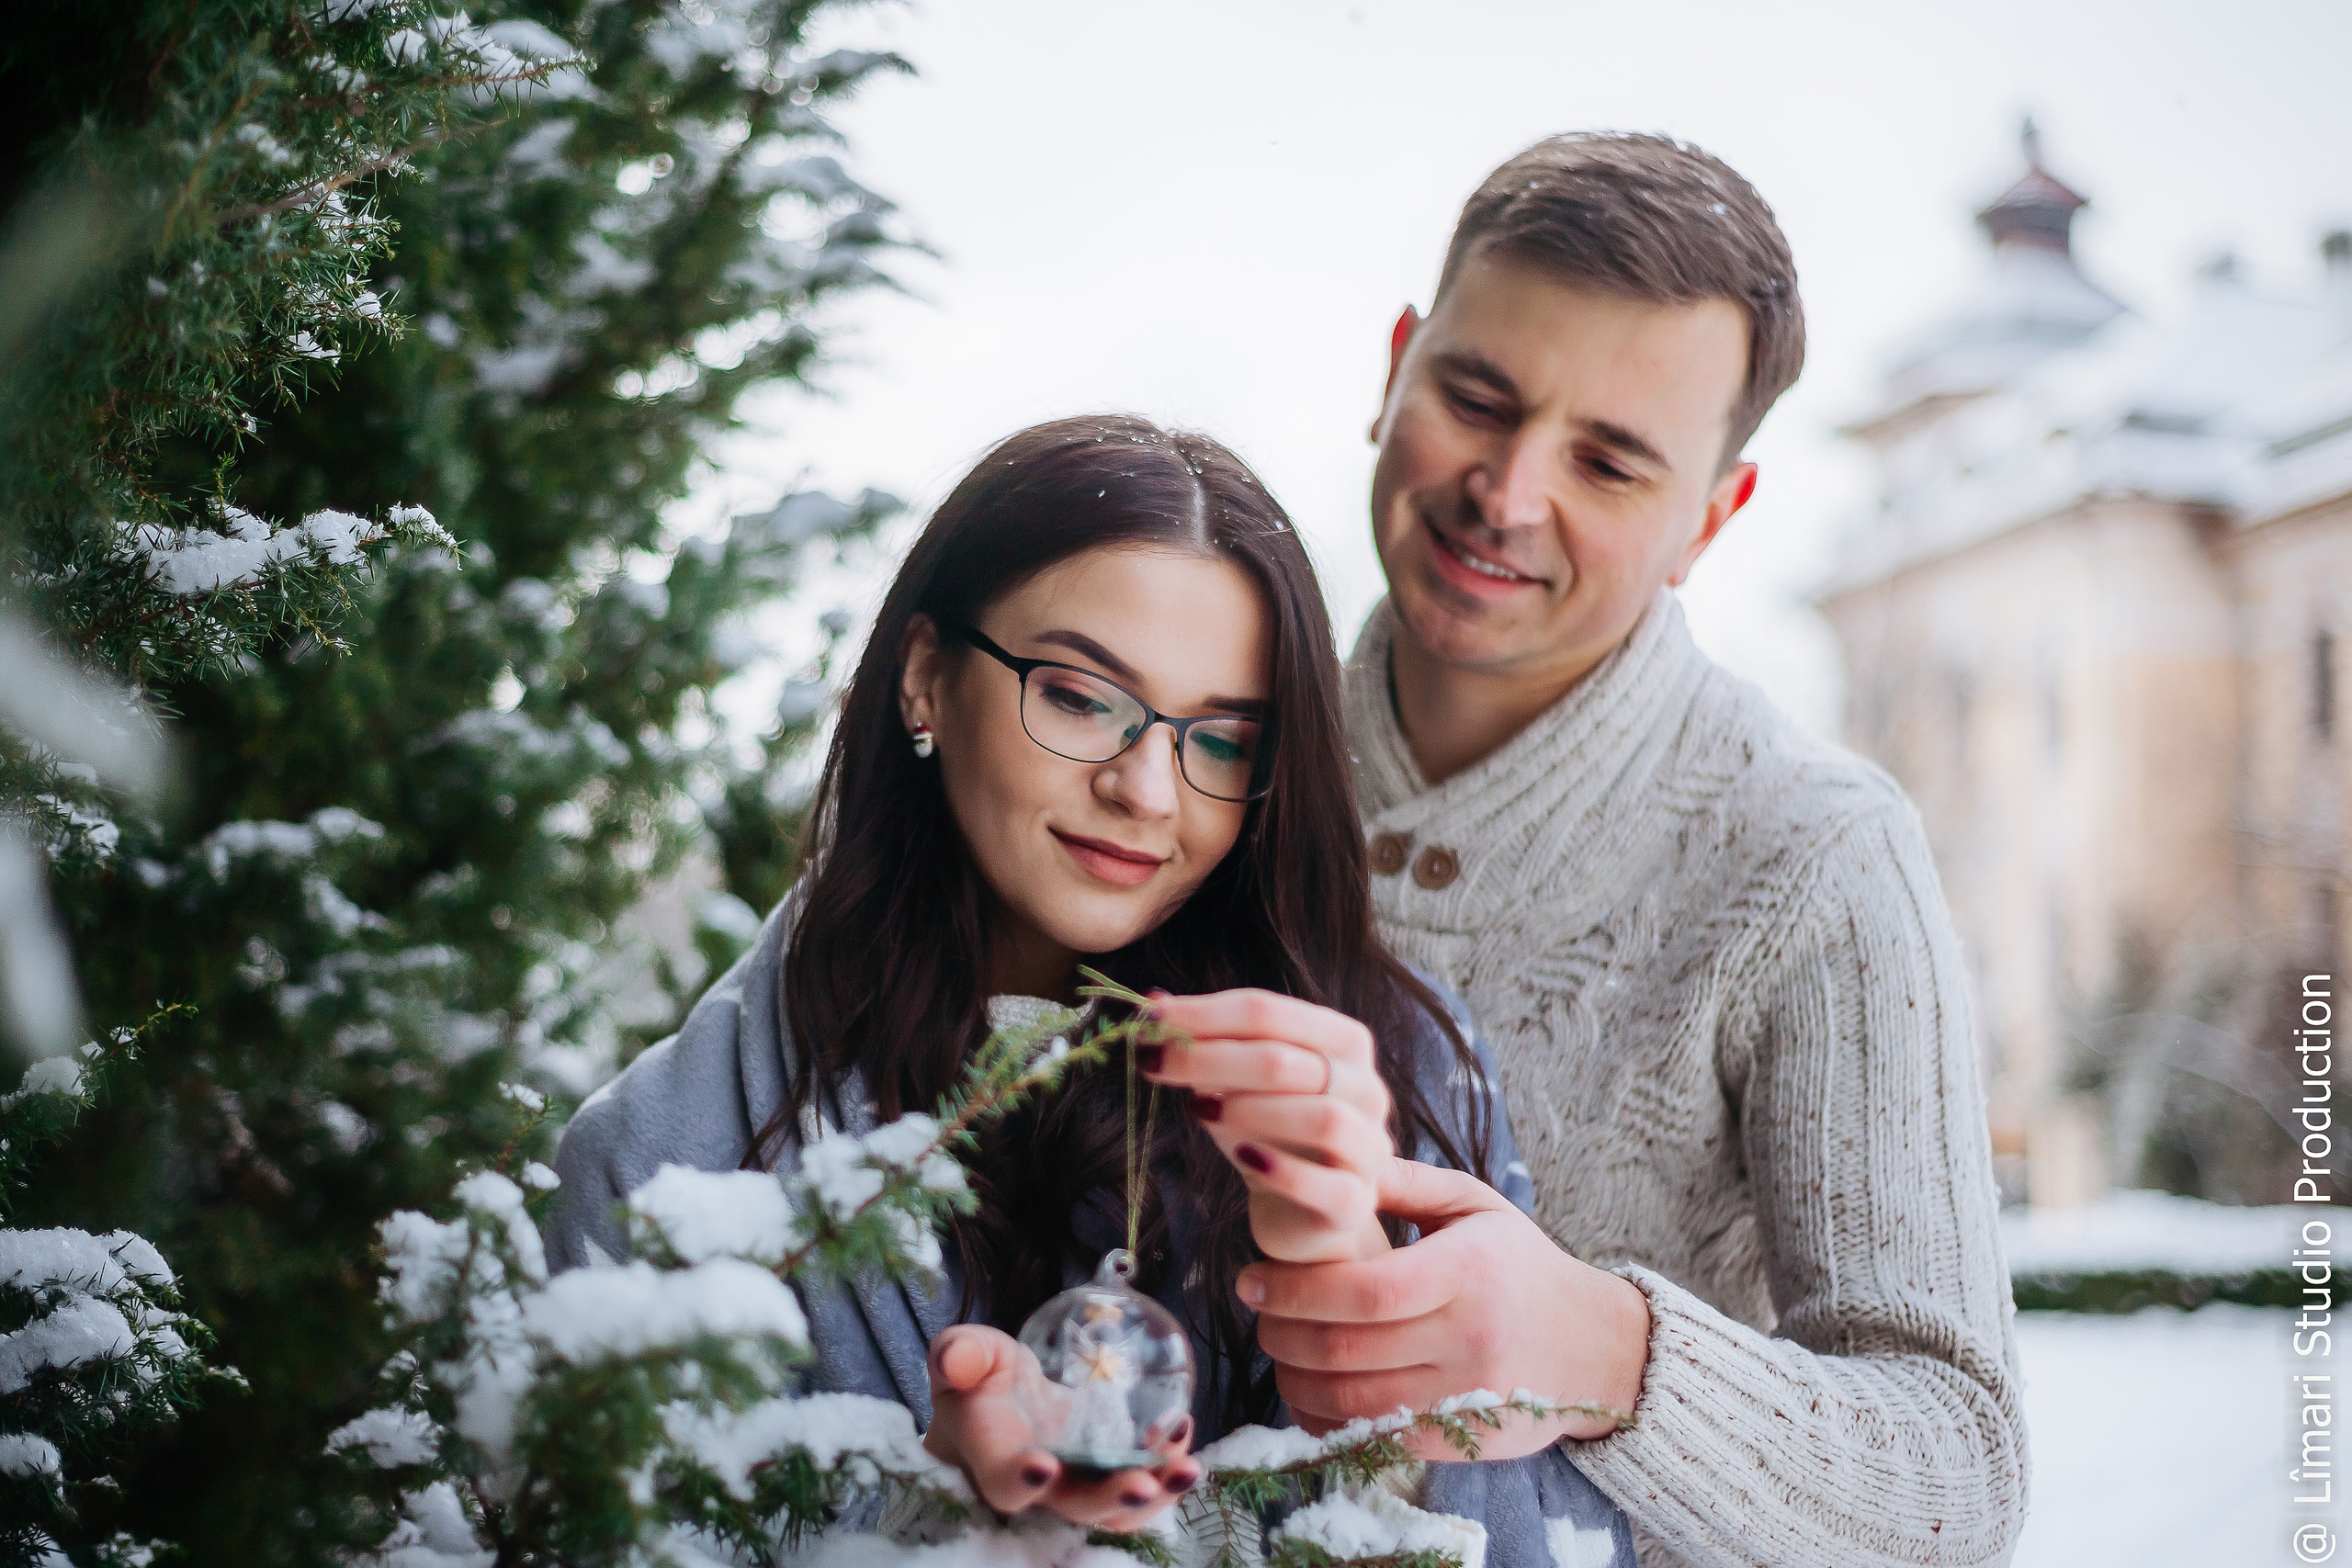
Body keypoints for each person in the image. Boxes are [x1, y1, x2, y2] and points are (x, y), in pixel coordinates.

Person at [543, 414, 1633, 1565]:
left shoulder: (1395, 1064)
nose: (1148, 790)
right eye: (1075, 696)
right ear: (925, 678)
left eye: (1220, 740)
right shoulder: (660, 1161)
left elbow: (1550, 1548)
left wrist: (1353, 1287)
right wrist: (932, 1514)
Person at [1235, 135, 2029, 1567]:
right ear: (1395, 368)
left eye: (1609, 460)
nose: (1510, 490)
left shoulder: (1816, 855)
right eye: (1477, 397)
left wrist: (1609, 1351)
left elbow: (1958, 1476)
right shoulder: (1199, 750)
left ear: (1708, 521)